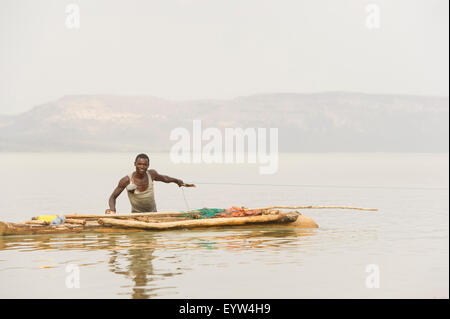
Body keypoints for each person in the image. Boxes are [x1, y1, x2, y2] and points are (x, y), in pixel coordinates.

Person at [106, 153, 187, 214]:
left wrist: (177, 181)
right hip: (136, 215)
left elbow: (165, 178)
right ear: (135, 164)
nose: (142, 167)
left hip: (153, 214)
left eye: (145, 164)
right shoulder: (126, 180)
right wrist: (113, 210)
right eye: (139, 164)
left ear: (148, 165)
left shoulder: (151, 174)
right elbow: (113, 197)